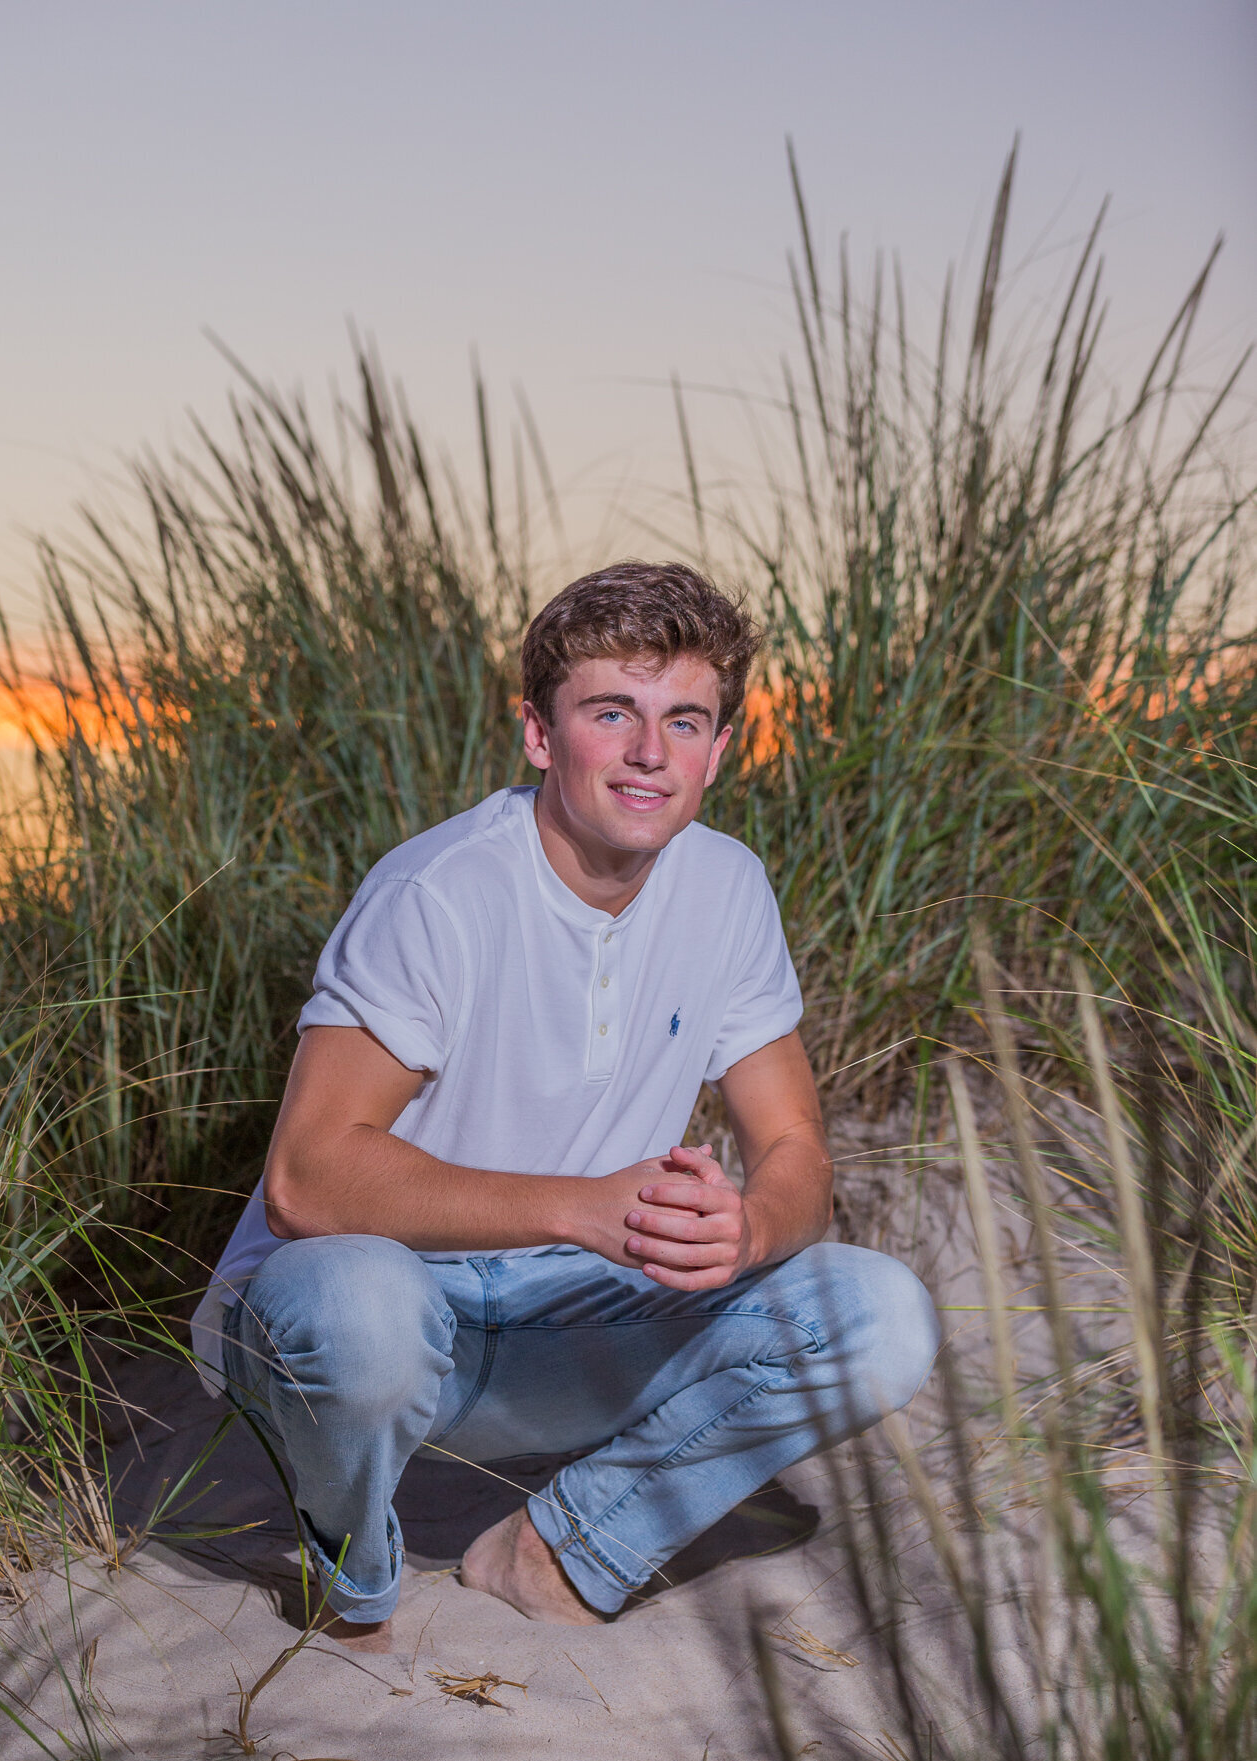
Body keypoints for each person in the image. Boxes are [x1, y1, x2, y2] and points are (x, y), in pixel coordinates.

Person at [191, 562, 938, 1649]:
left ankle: (558, 1547)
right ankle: (350, 1560)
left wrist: (753, 1226)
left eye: (685, 720)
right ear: (540, 735)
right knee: (357, 1307)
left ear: (720, 748)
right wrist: (583, 1205)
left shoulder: (728, 889)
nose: (650, 752)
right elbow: (306, 1179)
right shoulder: (437, 895)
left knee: (880, 1315)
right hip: (372, 1341)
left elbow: (795, 1146)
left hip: (573, 1329)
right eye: (612, 714)